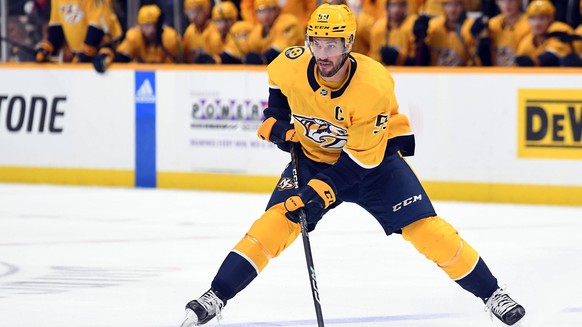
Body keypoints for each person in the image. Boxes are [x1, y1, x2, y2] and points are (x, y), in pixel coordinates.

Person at [180, 3, 527, 327]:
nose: (322, 53)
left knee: (429, 232)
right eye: (316, 43)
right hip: (314, 161)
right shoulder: (290, 63)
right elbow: (278, 88)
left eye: (331, 45)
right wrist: (279, 124)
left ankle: (492, 292)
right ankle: (216, 295)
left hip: (375, 165)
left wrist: (320, 192)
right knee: (272, 225)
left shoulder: (372, 85)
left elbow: (361, 159)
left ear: (348, 44)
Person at [92, 4, 181, 73]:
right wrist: (107, 54)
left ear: (159, 25)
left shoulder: (171, 38)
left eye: (152, 25)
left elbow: (181, 63)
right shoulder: (134, 36)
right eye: (145, 26)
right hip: (141, 76)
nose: (149, 30)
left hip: (167, 79)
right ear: (140, 26)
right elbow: (121, 57)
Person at [35, 0, 122, 63]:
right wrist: (48, 46)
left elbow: (99, 24)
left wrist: (87, 49)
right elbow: (57, 25)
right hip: (79, 53)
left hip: (106, 48)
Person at [413, 0, 476, 66]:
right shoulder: (433, 26)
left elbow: (474, 60)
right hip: (434, 73)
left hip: (461, 74)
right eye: (448, 5)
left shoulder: (470, 27)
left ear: (462, 7)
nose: (452, 10)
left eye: (456, 5)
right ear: (443, 7)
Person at [515, 0, 577, 66]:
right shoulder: (527, 41)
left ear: (551, 19)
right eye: (533, 18)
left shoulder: (559, 29)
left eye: (541, 18)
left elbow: (553, 57)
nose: (537, 23)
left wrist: (532, 61)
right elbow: (518, 62)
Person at [469, 0, 530, 66]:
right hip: (495, 73)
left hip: (520, 73)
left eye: (511, 1)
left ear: (520, 1)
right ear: (497, 2)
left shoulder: (530, 24)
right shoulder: (491, 24)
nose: (507, 5)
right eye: (503, 1)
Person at [246, 0, 304, 64]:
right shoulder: (258, 29)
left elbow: (276, 53)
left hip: (297, 64)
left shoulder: (288, 22)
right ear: (256, 13)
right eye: (261, 11)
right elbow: (249, 51)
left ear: (278, 10)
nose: (266, 15)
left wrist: (261, 59)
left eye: (270, 10)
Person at [368, 0, 417, 65]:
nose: (396, 10)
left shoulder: (413, 25)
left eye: (400, 5)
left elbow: (415, 58)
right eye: (393, 5)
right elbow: (374, 56)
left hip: (406, 70)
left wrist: (399, 57)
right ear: (387, 7)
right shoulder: (378, 29)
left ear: (405, 7)